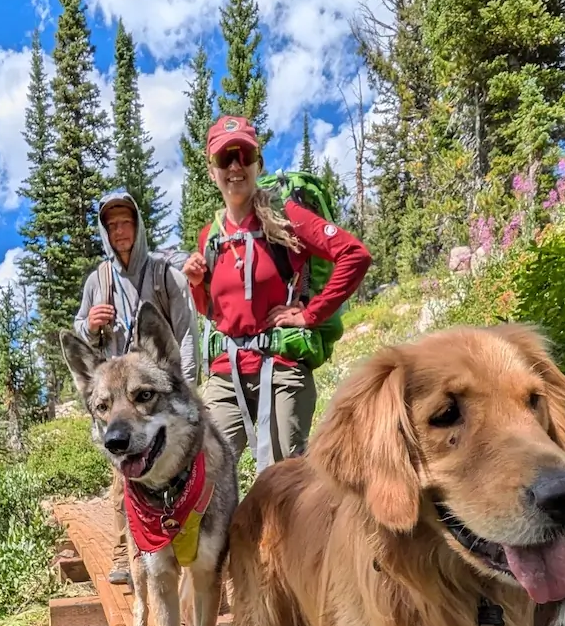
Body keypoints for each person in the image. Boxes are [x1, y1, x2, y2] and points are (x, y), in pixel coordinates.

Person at [183, 116, 370, 471]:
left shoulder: (286, 216)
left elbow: (355, 255)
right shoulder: (211, 236)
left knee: (284, 479)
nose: (235, 166)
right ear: (212, 171)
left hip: (281, 365)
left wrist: (310, 314)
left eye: (244, 155)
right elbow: (214, 312)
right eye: (225, 158)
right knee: (205, 471)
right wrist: (195, 284)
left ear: (258, 163)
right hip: (227, 372)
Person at [75, 190, 199, 585]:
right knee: (124, 481)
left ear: (138, 226)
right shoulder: (99, 280)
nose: (119, 231)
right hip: (117, 399)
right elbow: (80, 327)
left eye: (125, 222)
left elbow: (186, 328)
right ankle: (123, 556)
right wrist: (90, 325)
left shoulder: (163, 273)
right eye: (111, 225)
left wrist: (187, 383)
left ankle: (187, 550)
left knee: (185, 471)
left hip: (157, 393)